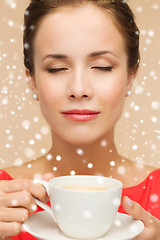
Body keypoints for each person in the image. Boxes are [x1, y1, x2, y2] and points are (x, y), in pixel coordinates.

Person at [0, 0, 160, 239]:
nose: (79, 89)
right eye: (56, 69)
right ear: (32, 80)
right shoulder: (5, 197)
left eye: (102, 67)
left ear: (130, 76)